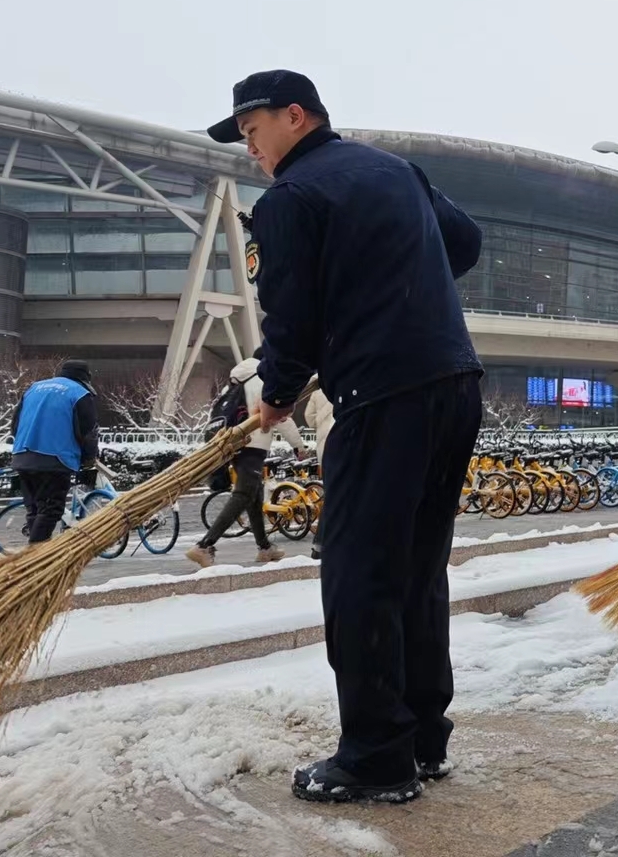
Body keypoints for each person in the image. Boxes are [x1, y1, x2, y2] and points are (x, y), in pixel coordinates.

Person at [208, 70, 483, 805]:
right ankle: (423, 741)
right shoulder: (396, 171)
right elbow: (464, 243)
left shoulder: (291, 198)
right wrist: (394, 275)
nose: (250, 147)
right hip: (455, 385)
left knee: (360, 574)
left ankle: (376, 756)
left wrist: (276, 390)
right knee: (417, 569)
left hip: (381, 395)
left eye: (253, 129)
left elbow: (289, 312)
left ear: (296, 116)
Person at [187, 349, 307, 568]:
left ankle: (264, 548)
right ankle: (204, 545)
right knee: (243, 495)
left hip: (234, 443)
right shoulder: (262, 378)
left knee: (254, 495)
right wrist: (298, 446)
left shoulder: (236, 380)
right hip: (252, 444)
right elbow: (279, 414)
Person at [10, 360, 99, 543]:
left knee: (35, 509)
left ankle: (37, 551)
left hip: (22, 456)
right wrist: (89, 458)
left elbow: (15, 425)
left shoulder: (34, 388)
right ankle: (36, 555)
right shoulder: (80, 393)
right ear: (85, 377)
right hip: (55, 459)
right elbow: (88, 432)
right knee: (51, 509)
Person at [305, 388, 336, 560]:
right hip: (344, 440)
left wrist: (320, 422)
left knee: (332, 493)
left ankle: (320, 545)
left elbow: (309, 418)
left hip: (324, 448)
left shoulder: (317, 391)